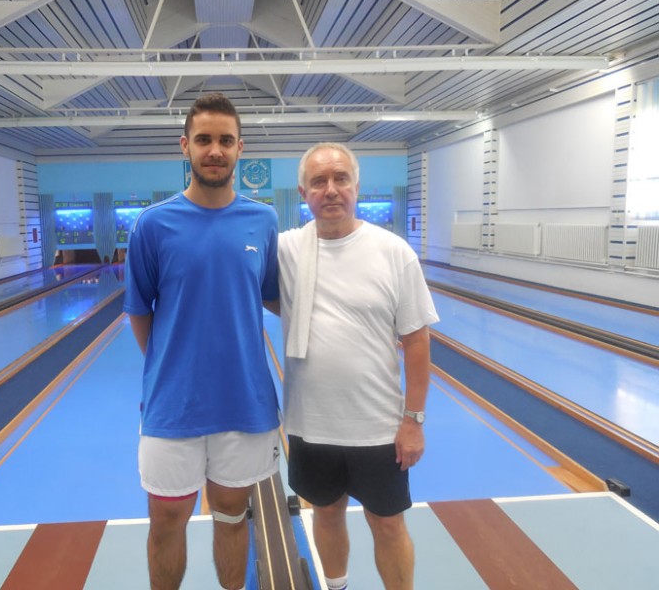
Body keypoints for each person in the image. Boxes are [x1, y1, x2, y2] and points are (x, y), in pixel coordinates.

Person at [124, 92, 281, 590]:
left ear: (240, 149)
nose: (215, 150)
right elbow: (139, 311)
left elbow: (275, 296)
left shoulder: (263, 221)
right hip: (174, 406)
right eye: (204, 139)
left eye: (226, 141)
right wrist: (172, 366)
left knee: (232, 516)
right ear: (185, 146)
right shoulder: (153, 225)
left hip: (244, 402)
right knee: (166, 521)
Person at [276, 142, 438, 590]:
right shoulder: (287, 249)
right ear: (303, 193)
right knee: (326, 513)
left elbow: (417, 340)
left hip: (378, 427)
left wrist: (413, 421)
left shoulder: (392, 251)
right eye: (319, 181)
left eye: (340, 179)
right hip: (310, 425)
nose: (331, 189)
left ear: (356, 187)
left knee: (388, 523)